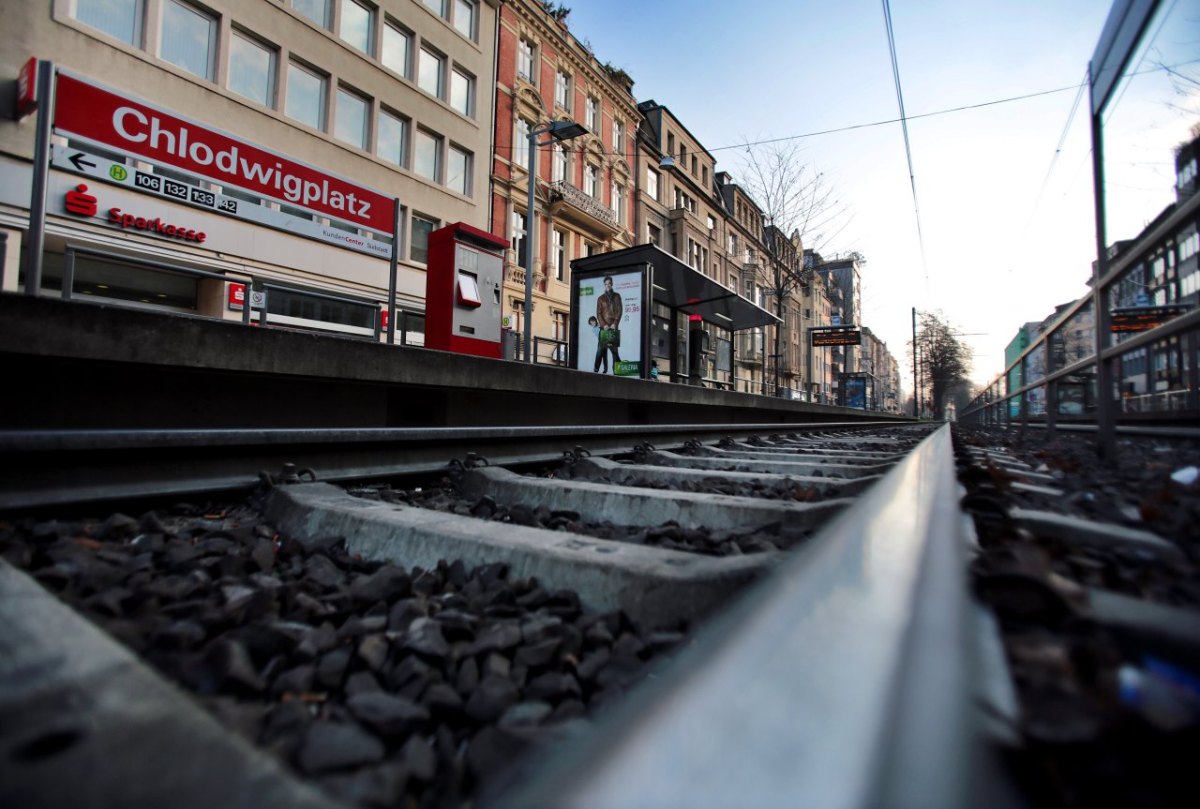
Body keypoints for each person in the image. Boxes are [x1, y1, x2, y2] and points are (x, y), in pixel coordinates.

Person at [594, 275, 622, 373]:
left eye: (609, 283)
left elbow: (619, 310)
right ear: (604, 285)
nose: (608, 285)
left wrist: (615, 323)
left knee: (614, 352)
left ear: (612, 284)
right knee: (600, 350)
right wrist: (603, 325)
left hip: (613, 327)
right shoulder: (600, 298)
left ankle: (616, 371)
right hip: (604, 328)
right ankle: (596, 369)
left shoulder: (617, 296)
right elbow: (598, 313)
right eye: (606, 284)